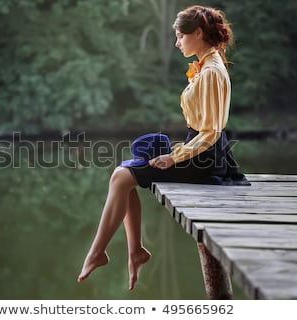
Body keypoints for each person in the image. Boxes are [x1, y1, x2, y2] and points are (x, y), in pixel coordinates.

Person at [77, 5, 249, 291]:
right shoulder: (207, 65)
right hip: (200, 151)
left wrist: (174, 156)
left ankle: (99, 253)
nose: (177, 42)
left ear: (198, 33)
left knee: (121, 177)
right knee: (123, 173)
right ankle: (135, 252)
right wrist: (177, 150)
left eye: (181, 36)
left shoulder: (211, 72)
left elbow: (211, 132)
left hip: (205, 159)